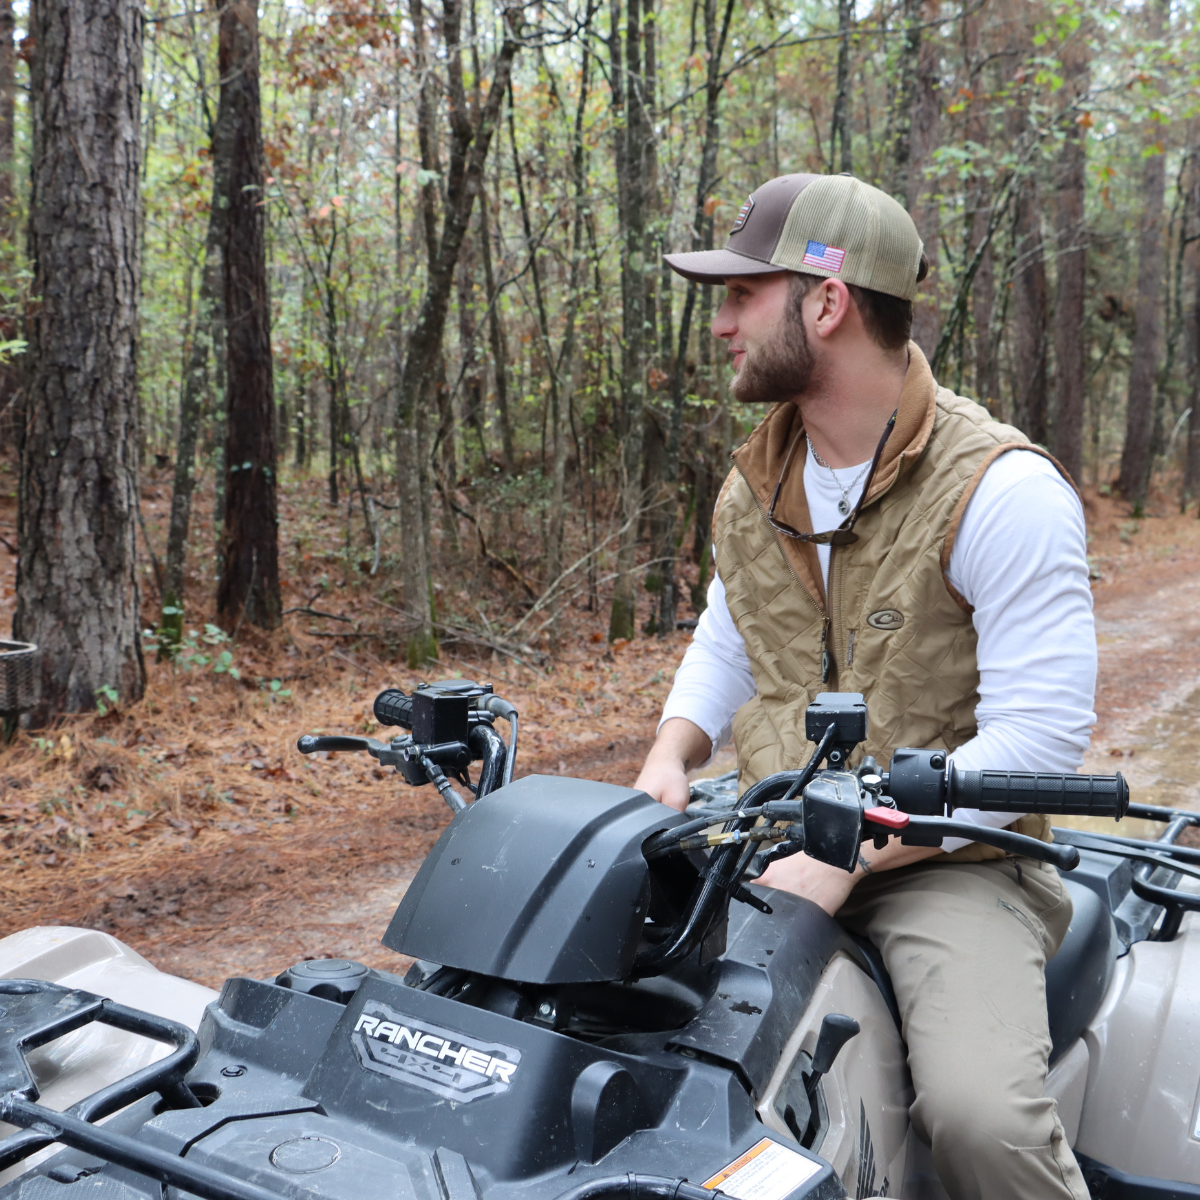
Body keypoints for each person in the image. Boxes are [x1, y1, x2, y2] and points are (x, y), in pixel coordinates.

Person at [635, 173, 1096, 1200]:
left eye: (742, 294)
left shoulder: (1002, 490)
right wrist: (670, 756)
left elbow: (1038, 746)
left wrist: (856, 852)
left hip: (952, 863)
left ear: (826, 301)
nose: (721, 324)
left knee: (983, 1122)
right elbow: (730, 639)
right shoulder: (758, 483)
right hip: (775, 828)